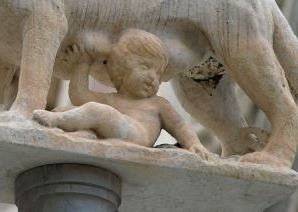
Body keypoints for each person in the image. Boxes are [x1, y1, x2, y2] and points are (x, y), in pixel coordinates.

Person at [34, 29, 209, 157]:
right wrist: (82, 63)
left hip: (136, 135)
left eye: (158, 73)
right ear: (120, 69)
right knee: (67, 110)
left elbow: (179, 126)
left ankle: (56, 122)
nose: (152, 78)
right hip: (114, 132)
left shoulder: (157, 104)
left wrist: (193, 143)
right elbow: (79, 96)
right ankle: (73, 129)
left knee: (96, 111)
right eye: (145, 67)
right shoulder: (112, 99)